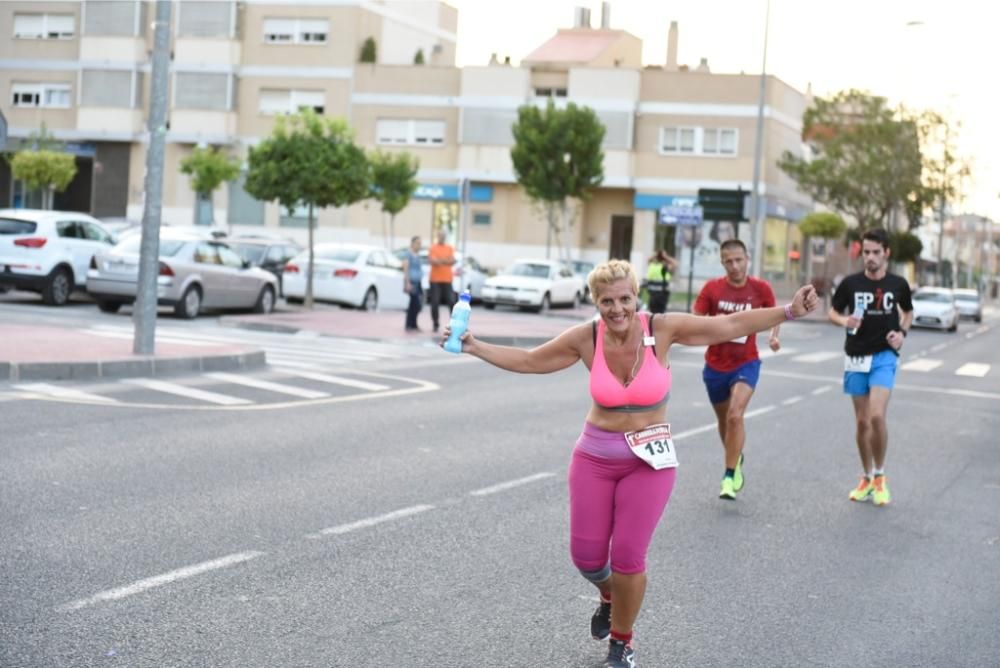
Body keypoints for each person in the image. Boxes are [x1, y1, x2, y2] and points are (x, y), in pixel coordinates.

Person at [441, 259, 818, 667]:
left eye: (624, 298)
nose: (617, 309)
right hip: (595, 456)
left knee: (627, 557)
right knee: (587, 558)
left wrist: (789, 311)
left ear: (636, 297)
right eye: (607, 301)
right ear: (595, 303)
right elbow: (532, 361)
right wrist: (474, 347)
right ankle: (608, 594)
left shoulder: (662, 328)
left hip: (649, 461)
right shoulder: (586, 338)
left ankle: (622, 644)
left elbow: (726, 327)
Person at [828, 228, 913, 507]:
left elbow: (908, 312)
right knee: (862, 421)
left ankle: (880, 475)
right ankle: (865, 476)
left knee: (877, 416)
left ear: (886, 252)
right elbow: (833, 311)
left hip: (884, 356)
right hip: (856, 356)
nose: (870, 258)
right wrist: (845, 322)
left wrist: (902, 333)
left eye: (876, 252)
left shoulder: (898, 284)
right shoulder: (850, 284)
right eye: (866, 252)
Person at [692, 239, 780, 500]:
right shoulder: (712, 289)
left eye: (739, 260)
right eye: (729, 261)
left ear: (747, 258)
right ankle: (735, 457)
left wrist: (774, 336)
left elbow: (776, 314)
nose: (735, 266)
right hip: (715, 365)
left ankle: (729, 475)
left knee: (734, 415)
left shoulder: (760, 289)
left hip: (746, 362)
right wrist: (711, 325)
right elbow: (695, 320)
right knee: (724, 421)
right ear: (722, 262)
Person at [428, 228, 456, 332]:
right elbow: (433, 261)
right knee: (435, 302)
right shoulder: (433, 247)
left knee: (451, 301)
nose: (441, 237)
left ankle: (453, 323)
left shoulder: (449, 248)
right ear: (437, 236)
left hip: (447, 279)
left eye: (443, 235)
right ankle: (435, 323)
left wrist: (440, 260)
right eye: (440, 235)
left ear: (445, 237)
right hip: (435, 280)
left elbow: (452, 260)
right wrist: (446, 260)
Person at [644, 250, 678, 314]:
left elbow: (648, 260)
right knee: (661, 316)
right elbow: (675, 264)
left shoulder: (652, 266)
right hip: (662, 296)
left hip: (652, 296)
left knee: (652, 315)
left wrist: (656, 255)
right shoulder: (664, 268)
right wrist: (665, 256)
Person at [401, 235, 423, 332]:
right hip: (411, 282)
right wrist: (407, 282)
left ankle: (413, 324)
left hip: (418, 282)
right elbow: (406, 269)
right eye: (418, 243)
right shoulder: (408, 254)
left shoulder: (417, 255)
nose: (419, 246)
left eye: (420, 244)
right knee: (414, 303)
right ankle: (409, 324)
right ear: (412, 243)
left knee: (416, 305)